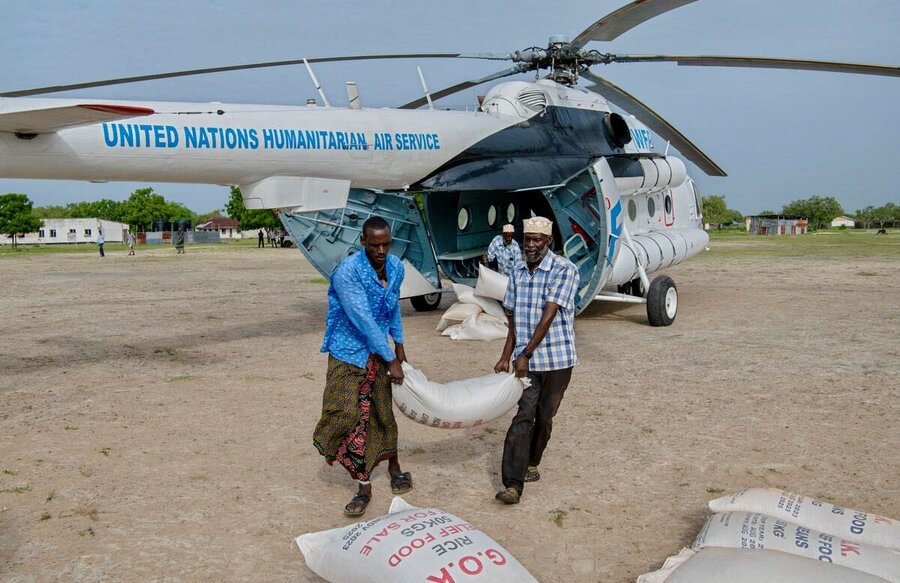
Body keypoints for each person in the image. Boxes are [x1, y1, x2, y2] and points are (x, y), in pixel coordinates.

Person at [313, 215, 413, 517]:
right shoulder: (348, 273)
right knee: (349, 414)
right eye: (374, 245)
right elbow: (365, 322)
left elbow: (392, 307)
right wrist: (392, 359)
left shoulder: (395, 267)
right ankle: (363, 485)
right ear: (363, 242)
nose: (381, 251)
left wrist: (399, 345)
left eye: (386, 244)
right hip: (348, 351)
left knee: (383, 413)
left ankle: (394, 466)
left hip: (379, 352)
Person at [493, 216, 579, 505]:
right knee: (522, 417)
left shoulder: (564, 270)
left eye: (536, 240)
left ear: (548, 242)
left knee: (544, 418)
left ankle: (532, 462)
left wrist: (525, 355)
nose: (530, 245)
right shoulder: (517, 271)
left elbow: (549, 314)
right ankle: (512, 484)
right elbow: (514, 318)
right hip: (525, 362)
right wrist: (506, 356)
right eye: (527, 239)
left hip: (556, 359)